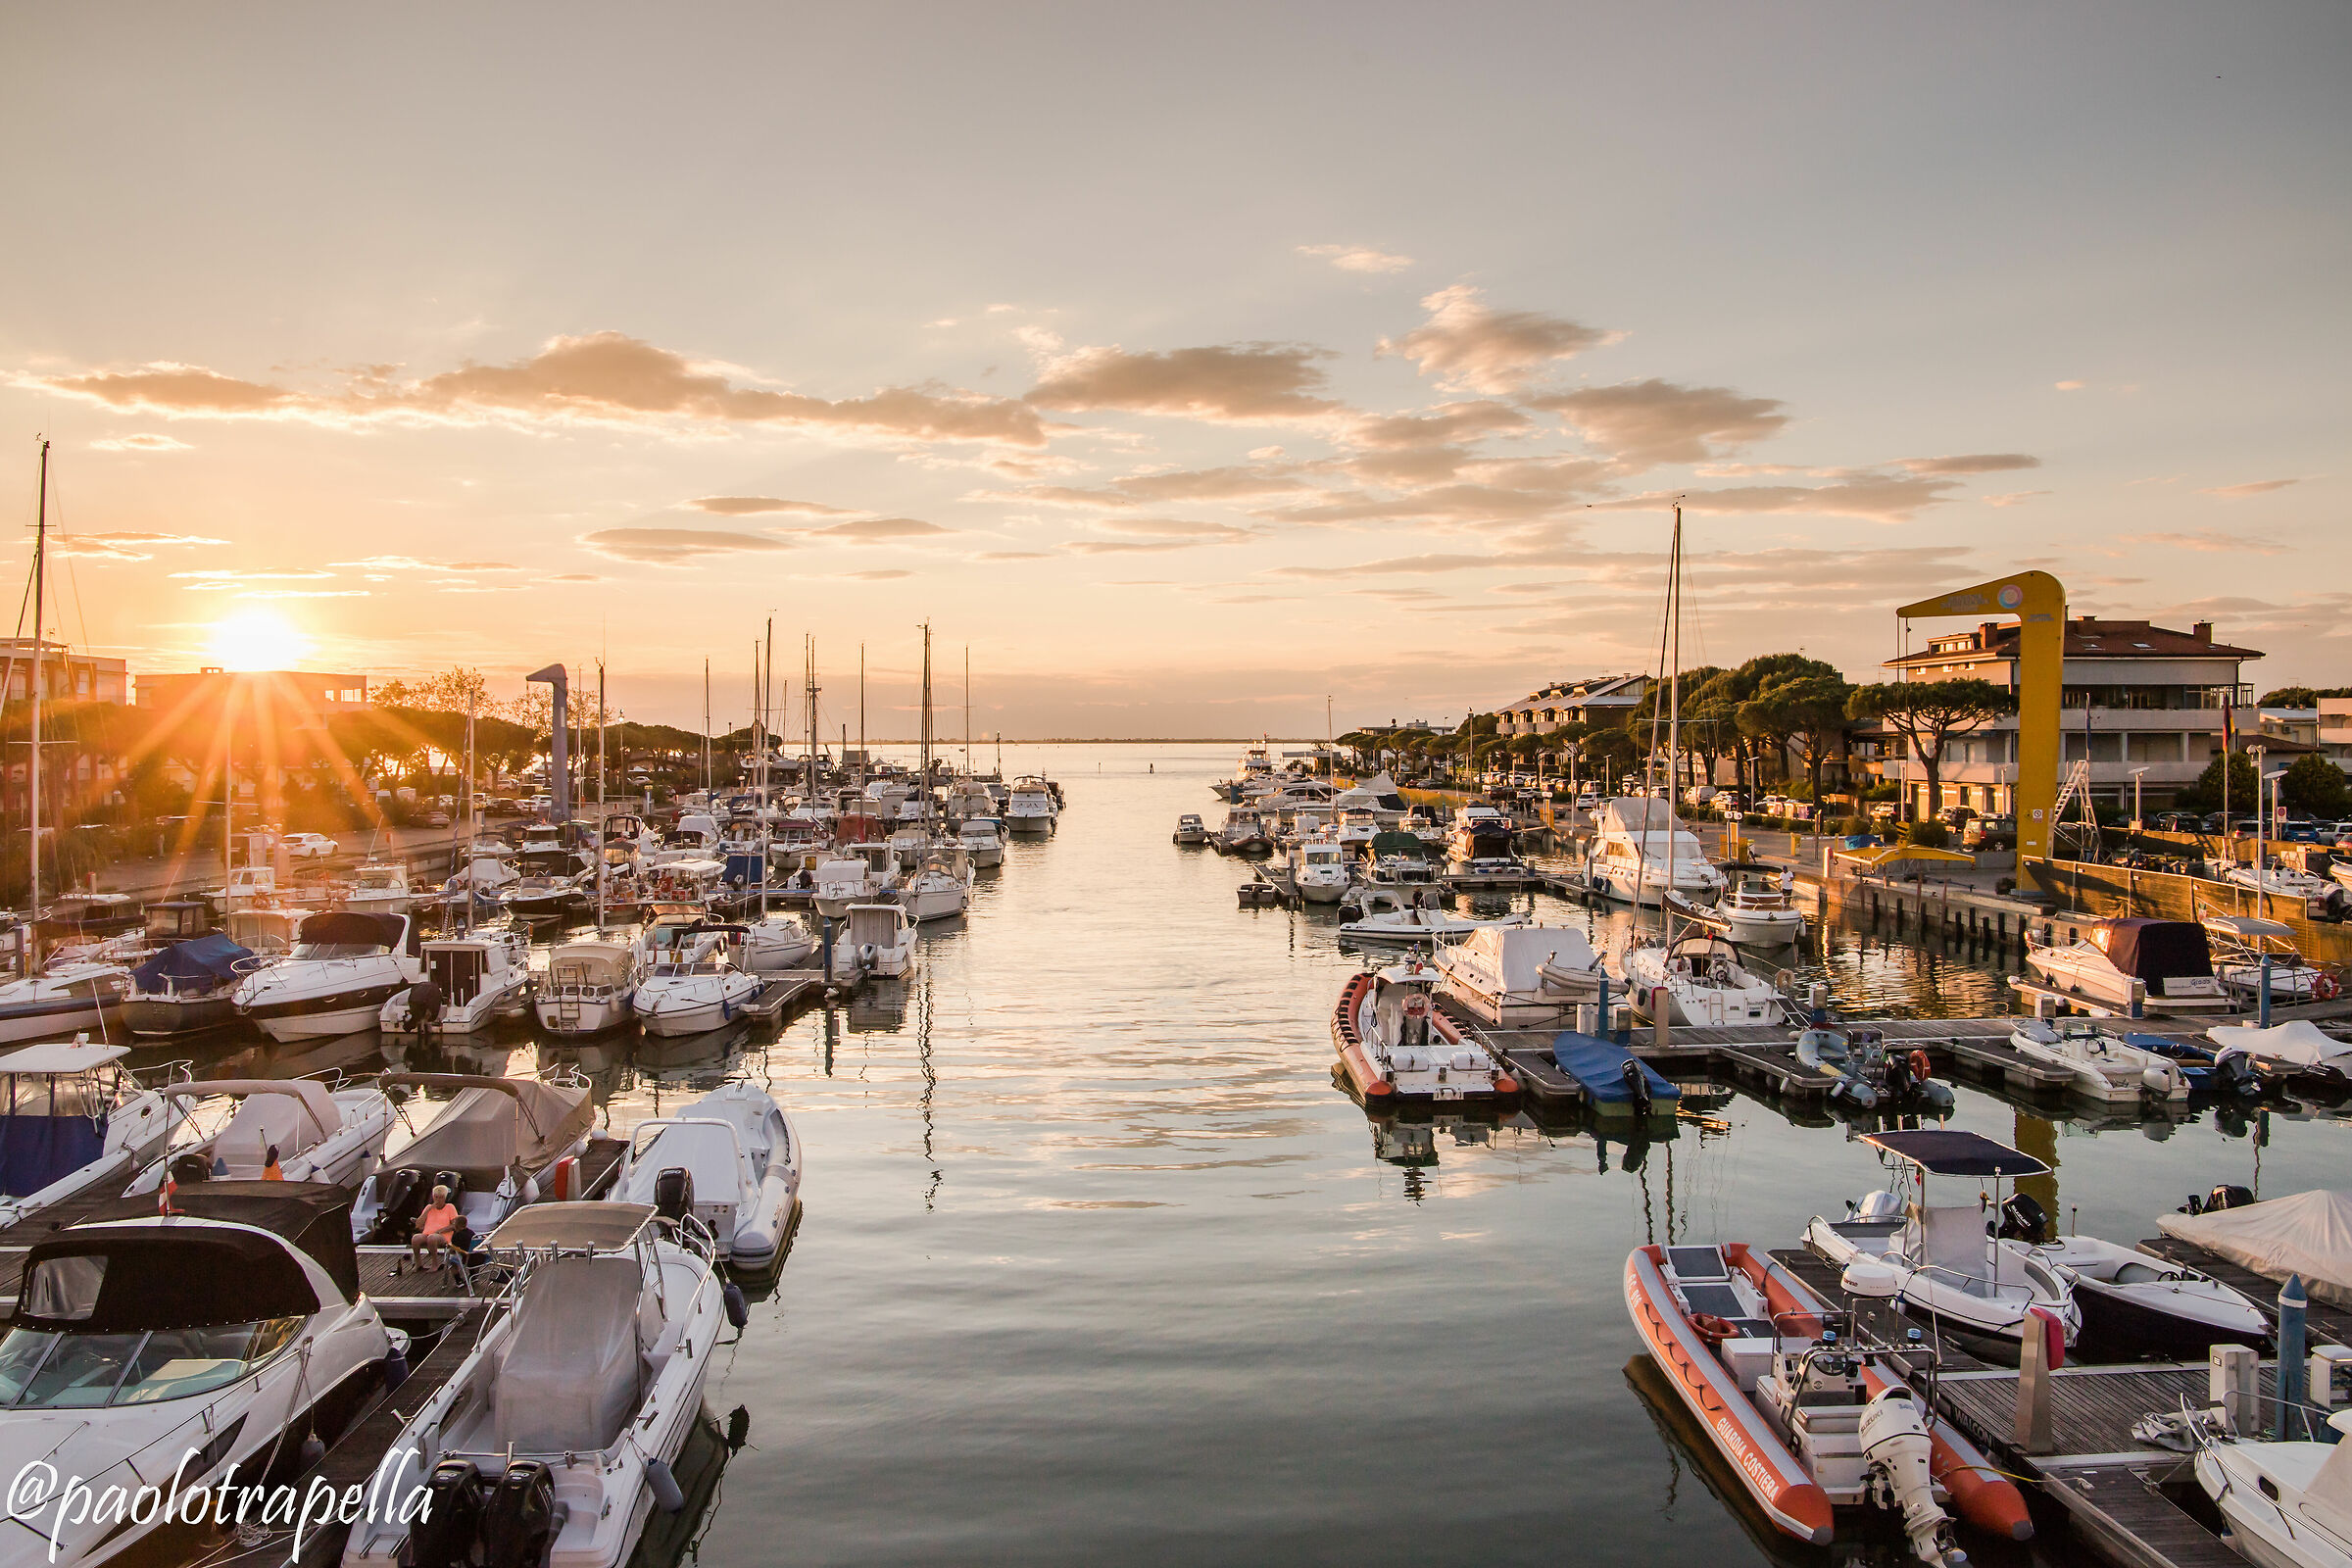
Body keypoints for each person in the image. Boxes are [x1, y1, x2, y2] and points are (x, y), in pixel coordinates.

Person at [411, 1185, 460, 1271]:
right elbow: (418, 1225)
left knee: (432, 1238)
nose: (438, 1200)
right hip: (427, 1234)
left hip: (443, 1235)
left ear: (444, 1198)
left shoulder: (449, 1207)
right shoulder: (429, 1207)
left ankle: (435, 1264)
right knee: (415, 1238)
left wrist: (440, 1231)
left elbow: (454, 1225)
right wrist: (428, 1210)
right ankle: (418, 1263)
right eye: (436, 1197)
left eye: (440, 1197)